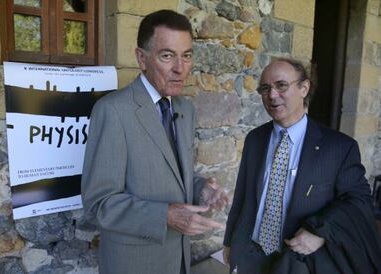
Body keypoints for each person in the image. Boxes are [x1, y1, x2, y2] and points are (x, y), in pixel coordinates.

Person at [81, 10, 228, 274]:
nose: (180, 68)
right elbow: (98, 204)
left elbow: (171, 173)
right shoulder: (112, 111)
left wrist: (201, 188)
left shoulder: (185, 108)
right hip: (134, 264)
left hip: (178, 260)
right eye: (167, 55)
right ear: (142, 58)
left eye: (187, 56)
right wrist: (166, 216)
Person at [223, 58, 381, 273]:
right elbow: (242, 196)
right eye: (265, 88)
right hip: (251, 255)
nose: (272, 95)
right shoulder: (255, 139)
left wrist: (321, 231)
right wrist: (230, 242)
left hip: (300, 262)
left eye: (281, 86)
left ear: (304, 88)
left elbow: (360, 201)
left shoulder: (338, 147)